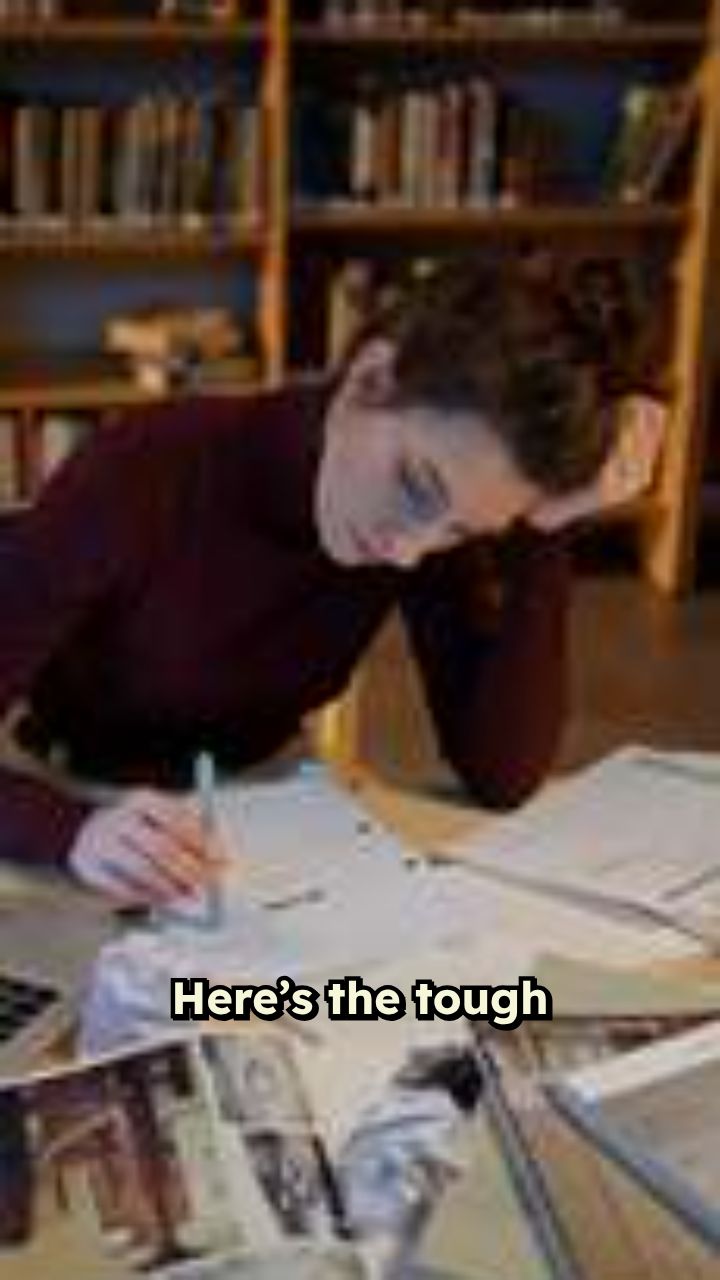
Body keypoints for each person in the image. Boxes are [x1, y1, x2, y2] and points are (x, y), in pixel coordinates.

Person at [0, 257, 664, 906]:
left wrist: (547, 531)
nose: (408, 552)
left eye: (461, 530)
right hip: (71, 800)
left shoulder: (422, 527)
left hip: (270, 815)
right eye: (415, 485)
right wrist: (72, 832)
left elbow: (502, 773)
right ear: (369, 378)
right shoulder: (143, 469)